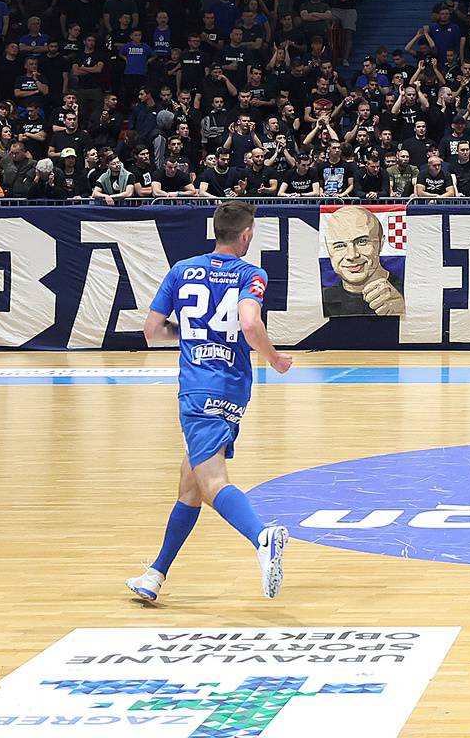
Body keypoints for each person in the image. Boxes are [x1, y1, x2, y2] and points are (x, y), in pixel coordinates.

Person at [125, 201, 294, 605]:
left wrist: (189, 338)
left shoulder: (182, 270)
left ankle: (261, 536)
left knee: (212, 480)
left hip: (198, 387)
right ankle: (155, 574)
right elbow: (250, 323)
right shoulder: (251, 274)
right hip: (233, 386)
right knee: (191, 484)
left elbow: (151, 330)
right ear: (247, 234)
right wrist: (274, 359)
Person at [320, 204, 404, 317]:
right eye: (340, 245)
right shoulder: (321, 298)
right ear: (328, 249)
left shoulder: (407, 290)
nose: (352, 255)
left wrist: (404, 313)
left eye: (362, 242)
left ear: (381, 243)